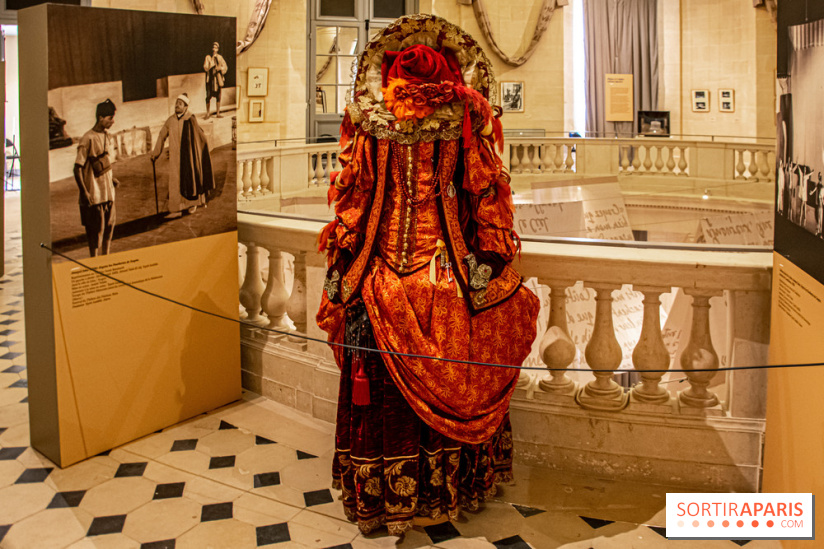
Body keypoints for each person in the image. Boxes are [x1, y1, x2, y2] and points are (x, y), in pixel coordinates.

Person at [316, 15, 540, 536]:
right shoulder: (398, 123)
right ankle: (432, 491)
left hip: (412, 269)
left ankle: (403, 496)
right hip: (409, 272)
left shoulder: (442, 122)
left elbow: (479, 195)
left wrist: (487, 254)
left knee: (462, 323)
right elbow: (364, 195)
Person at [151, 93, 214, 219]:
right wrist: (155, 153)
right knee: (175, 183)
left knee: (191, 180)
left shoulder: (190, 119)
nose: (177, 106)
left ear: (185, 107)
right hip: (175, 159)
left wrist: (202, 149)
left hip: (188, 158)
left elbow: (199, 136)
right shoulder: (171, 120)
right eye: (176, 103)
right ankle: (175, 209)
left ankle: (192, 205)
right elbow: (162, 136)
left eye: (180, 104)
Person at [73, 99, 119, 257]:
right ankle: (95, 261)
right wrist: (85, 192)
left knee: (109, 227)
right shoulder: (87, 139)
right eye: (109, 118)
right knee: (95, 231)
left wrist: (111, 179)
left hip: (108, 194)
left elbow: (104, 163)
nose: (112, 121)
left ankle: (105, 259)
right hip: (95, 195)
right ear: (100, 118)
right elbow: (77, 168)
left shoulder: (107, 136)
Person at [203, 41, 228, 119]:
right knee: (208, 96)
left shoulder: (220, 57)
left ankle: (218, 113)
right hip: (210, 79)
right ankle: (207, 113)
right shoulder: (208, 57)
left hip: (217, 79)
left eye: (216, 47)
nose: (214, 49)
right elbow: (205, 67)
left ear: (218, 49)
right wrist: (211, 66)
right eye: (213, 47)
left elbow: (225, 67)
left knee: (218, 96)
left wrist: (219, 68)